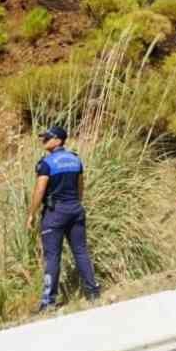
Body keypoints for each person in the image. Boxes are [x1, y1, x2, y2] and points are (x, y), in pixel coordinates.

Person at [27, 125, 101, 312]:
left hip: (55, 213)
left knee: (52, 257)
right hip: (75, 209)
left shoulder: (47, 164)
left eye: (48, 138)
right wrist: (76, 204)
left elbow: (40, 190)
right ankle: (93, 292)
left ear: (59, 140)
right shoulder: (76, 160)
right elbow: (80, 186)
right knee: (81, 251)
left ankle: (48, 302)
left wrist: (31, 213)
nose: (44, 141)